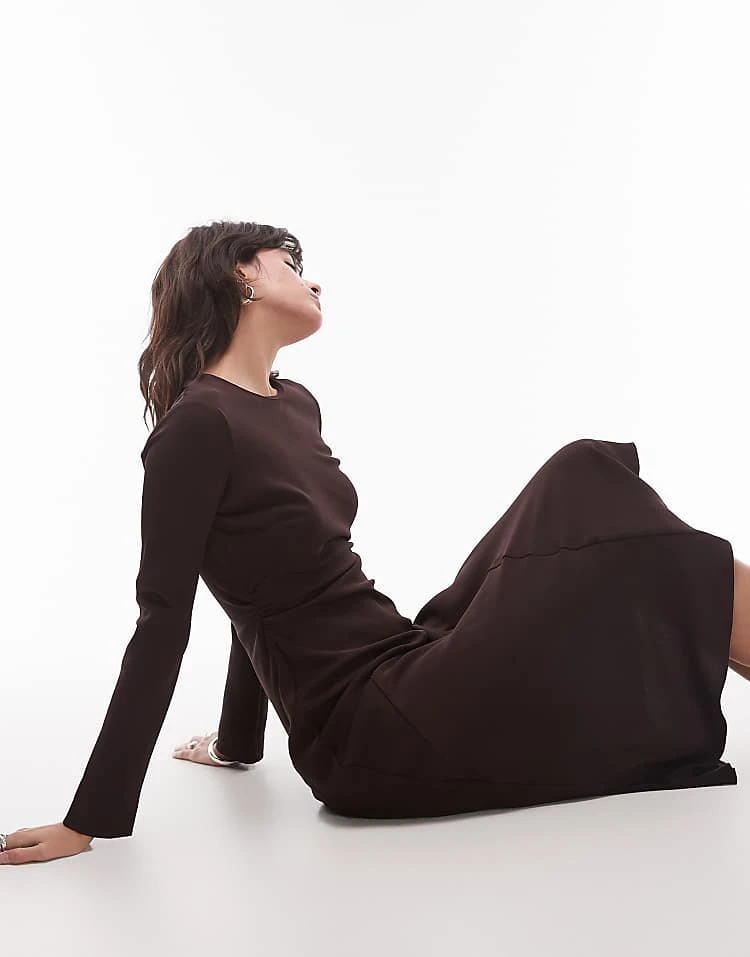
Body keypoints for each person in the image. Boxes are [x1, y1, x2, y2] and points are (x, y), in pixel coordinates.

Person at [2, 219, 748, 866]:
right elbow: (165, 618)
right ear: (240, 278)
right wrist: (88, 820)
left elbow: (261, 576)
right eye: (289, 264)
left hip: (405, 658)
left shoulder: (294, 404)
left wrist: (237, 741)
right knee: (599, 495)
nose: (312, 280)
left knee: (585, 482)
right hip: (372, 729)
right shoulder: (195, 427)